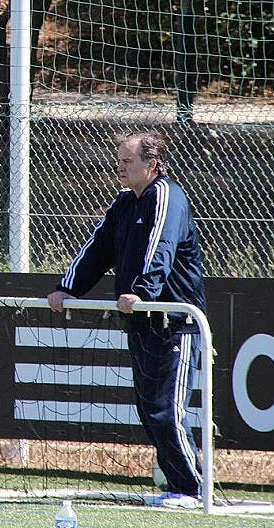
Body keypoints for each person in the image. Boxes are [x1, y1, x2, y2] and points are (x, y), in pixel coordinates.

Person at [47, 131, 206, 509]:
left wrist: (144, 293)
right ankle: (178, 485)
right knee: (149, 410)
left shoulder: (167, 196)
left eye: (127, 161)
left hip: (173, 323)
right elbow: (98, 249)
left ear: (151, 165)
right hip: (139, 324)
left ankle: (194, 490)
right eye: (118, 160)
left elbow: (159, 248)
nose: (119, 167)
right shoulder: (123, 203)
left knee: (167, 410)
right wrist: (67, 287)